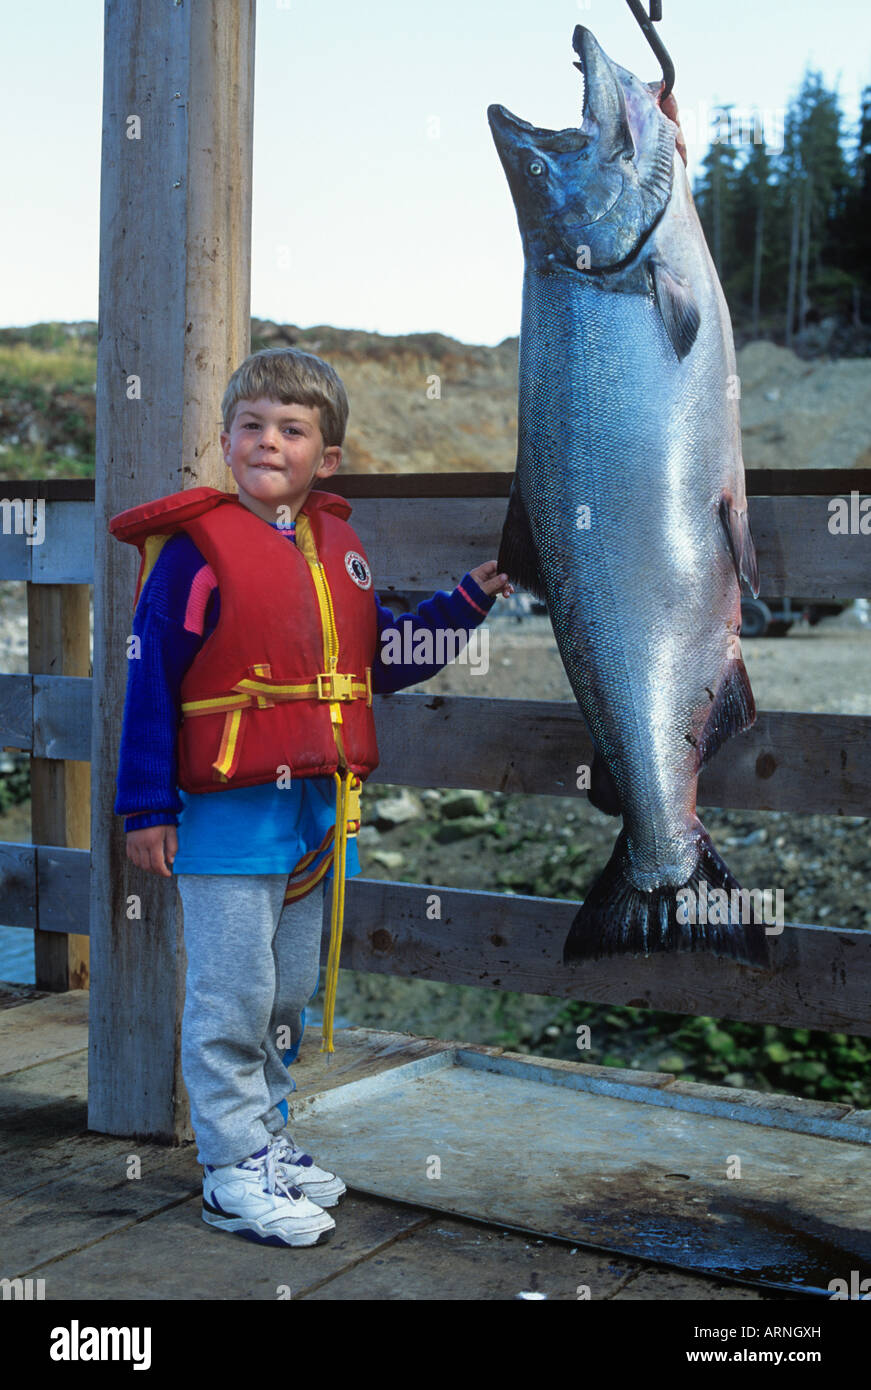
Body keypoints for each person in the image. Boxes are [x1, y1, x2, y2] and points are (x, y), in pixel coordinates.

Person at [110, 346, 512, 1248]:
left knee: (285, 992)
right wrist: (145, 808)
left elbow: (381, 665)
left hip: (316, 820)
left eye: (291, 429)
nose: (267, 441)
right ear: (224, 441)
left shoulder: (341, 554)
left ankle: (266, 1138)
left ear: (324, 457)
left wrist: (469, 600)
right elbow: (148, 683)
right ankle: (227, 1171)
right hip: (223, 822)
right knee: (230, 997)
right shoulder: (192, 559)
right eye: (250, 426)